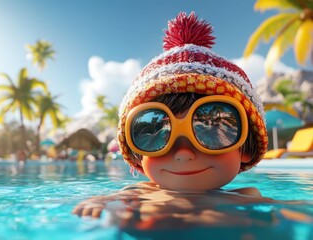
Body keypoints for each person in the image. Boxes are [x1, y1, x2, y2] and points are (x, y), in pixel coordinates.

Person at [72, 12, 274, 229]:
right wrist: (101, 200)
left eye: (214, 128)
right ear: (138, 155)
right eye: (155, 133)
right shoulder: (139, 192)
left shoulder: (246, 198)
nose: (183, 153)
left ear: (246, 148)